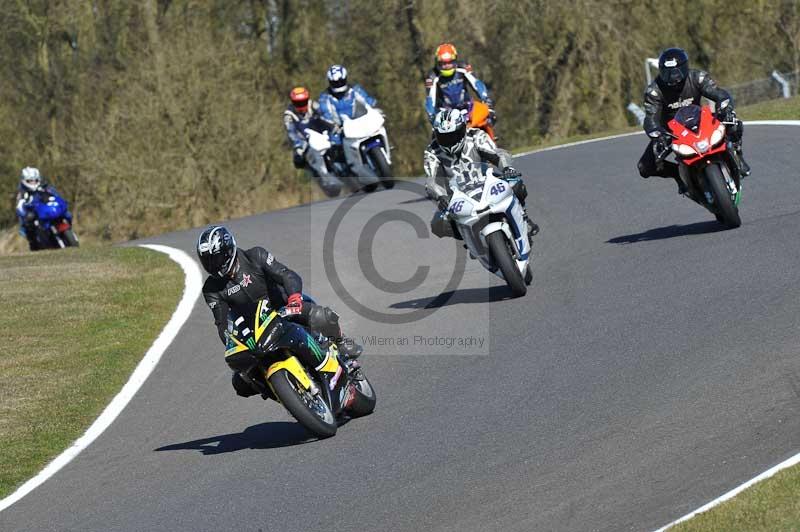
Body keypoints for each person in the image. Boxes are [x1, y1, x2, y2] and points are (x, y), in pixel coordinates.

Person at [197, 226, 363, 398]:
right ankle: (281, 390)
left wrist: (294, 298)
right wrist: (233, 343)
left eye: (216, 258)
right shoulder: (211, 290)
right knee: (240, 382)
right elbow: (222, 323)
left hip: (284, 308)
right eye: (208, 261)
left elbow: (287, 275)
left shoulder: (255, 256)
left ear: (228, 250)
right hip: (257, 331)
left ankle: (341, 342)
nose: (213, 265)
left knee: (322, 317)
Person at [638, 47, 750, 192]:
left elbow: (719, 94)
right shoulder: (654, 91)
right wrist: (657, 134)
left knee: (733, 123)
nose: (673, 77)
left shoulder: (698, 77)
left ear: (685, 67)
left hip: (700, 120)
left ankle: (739, 158)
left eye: (676, 71)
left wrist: (724, 108)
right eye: (667, 72)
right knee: (645, 167)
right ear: (660, 71)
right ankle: (678, 174)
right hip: (671, 132)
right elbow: (650, 118)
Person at [423, 109, 539, 240]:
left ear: (462, 130)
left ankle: (524, 217)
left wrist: (507, 168)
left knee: (516, 184)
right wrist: (441, 196)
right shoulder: (432, 151)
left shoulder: (475, 135)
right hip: (457, 197)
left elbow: (497, 154)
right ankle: (469, 239)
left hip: (488, 182)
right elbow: (431, 180)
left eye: (453, 135)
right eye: (444, 137)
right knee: (438, 224)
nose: (450, 141)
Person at [283, 86, 343, 197]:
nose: (302, 105)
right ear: (293, 102)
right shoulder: (289, 115)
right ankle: (323, 176)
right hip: (305, 142)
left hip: (321, 135)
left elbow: (324, 116)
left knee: (340, 143)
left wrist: (333, 126)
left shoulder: (313, 105)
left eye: (303, 102)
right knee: (299, 160)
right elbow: (291, 131)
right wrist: (298, 145)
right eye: (298, 103)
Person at [424, 43, 494, 125]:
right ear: (437, 63)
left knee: (487, 120)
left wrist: (485, 98)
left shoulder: (463, 67)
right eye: (443, 63)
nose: (447, 66)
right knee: (437, 134)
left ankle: (489, 136)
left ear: (455, 60)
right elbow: (430, 98)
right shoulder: (432, 76)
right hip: (445, 114)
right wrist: (432, 115)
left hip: (467, 107)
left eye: (449, 62)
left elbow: (476, 82)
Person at [318, 64, 381, 153]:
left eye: (341, 81)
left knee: (378, 127)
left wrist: (374, 108)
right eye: (335, 83)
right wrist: (333, 125)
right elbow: (325, 112)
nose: (338, 84)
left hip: (360, 121)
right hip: (341, 129)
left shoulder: (355, 89)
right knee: (335, 146)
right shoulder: (325, 97)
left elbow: (366, 100)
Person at [15, 167, 58, 251]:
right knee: (32, 233)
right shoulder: (22, 193)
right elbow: (19, 207)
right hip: (34, 218)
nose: (33, 182)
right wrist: (26, 215)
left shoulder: (45, 187)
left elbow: (55, 195)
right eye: (30, 181)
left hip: (49, 212)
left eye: (35, 180)